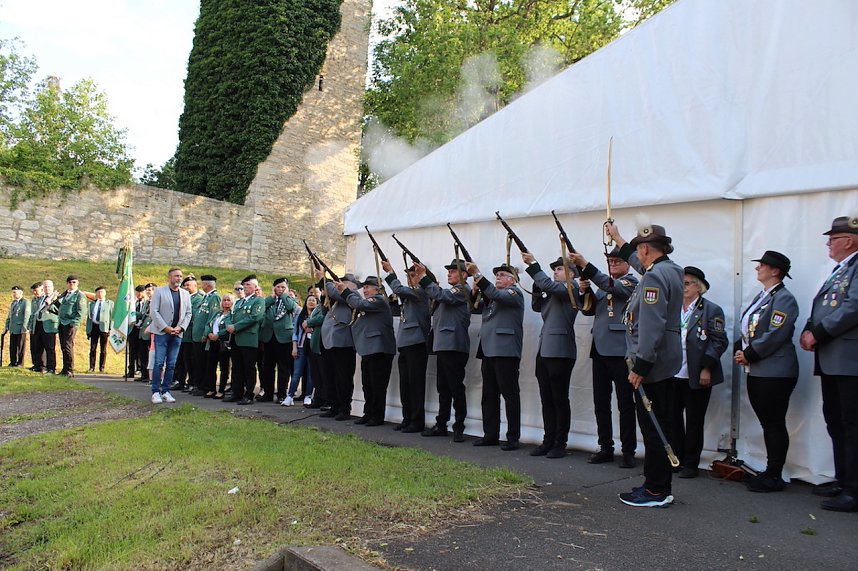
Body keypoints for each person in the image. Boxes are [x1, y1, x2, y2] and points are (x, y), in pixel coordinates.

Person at [605, 221, 683, 508]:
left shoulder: (653, 278)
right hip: (666, 358)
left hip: (653, 360)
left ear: (647, 248)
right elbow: (638, 264)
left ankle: (656, 490)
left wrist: (641, 365)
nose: (638, 256)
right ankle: (655, 483)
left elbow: (651, 325)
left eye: (639, 249)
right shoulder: (669, 270)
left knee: (653, 427)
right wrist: (618, 238)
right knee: (659, 422)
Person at [800, 216, 858, 512]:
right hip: (833, 358)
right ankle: (843, 478)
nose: (828, 245)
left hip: (849, 360)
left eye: (833, 239)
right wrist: (809, 329)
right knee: (835, 420)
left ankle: (854, 489)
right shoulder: (841, 270)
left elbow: (852, 307)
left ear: (848, 240)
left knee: (851, 423)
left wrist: (818, 332)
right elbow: (823, 305)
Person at [735, 250, 799, 493]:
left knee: (773, 421)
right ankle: (770, 470)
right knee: (767, 421)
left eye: (762, 265)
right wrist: (742, 351)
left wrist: (749, 353)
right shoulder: (763, 296)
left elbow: (776, 333)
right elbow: (749, 329)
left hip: (775, 371)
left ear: (776, 271)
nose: (757, 268)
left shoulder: (783, 298)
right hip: (759, 368)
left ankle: (774, 473)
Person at [571, 247, 639, 468]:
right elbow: (590, 311)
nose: (613, 264)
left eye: (618, 261)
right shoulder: (604, 284)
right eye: (610, 261)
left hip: (620, 351)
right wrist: (584, 292)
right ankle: (605, 446)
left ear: (628, 264)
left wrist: (587, 267)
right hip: (599, 349)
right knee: (601, 402)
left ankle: (628, 450)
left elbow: (615, 290)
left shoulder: (631, 283)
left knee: (625, 404)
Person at [669, 266, 727, 478]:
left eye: (687, 284)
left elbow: (719, 341)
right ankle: (676, 459)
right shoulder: (672, 308)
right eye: (680, 284)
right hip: (674, 372)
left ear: (699, 287)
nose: (682, 288)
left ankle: (691, 463)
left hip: (697, 373)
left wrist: (706, 367)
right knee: (673, 418)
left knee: (694, 420)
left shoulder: (711, 310)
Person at [522, 252, 581, 459]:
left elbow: (551, 287)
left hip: (560, 350)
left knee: (559, 398)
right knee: (547, 399)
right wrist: (538, 285)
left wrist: (534, 266)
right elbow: (538, 306)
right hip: (545, 348)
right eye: (554, 269)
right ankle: (548, 440)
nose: (555, 272)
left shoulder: (571, 288)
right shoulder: (555, 291)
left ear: (571, 274)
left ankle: (559, 443)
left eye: (559, 269)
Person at [465, 261, 525, 451]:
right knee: (489, 395)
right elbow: (474, 308)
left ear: (512, 279)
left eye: (502, 275)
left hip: (505, 351)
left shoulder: (514, 293)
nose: (498, 277)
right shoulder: (493, 297)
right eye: (496, 275)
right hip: (489, 349)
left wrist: (478, 275)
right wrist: (475, 291)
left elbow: (496, 294)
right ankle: (490, 434)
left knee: (510, 395)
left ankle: (513, 437)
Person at [338, 276, 396, 426]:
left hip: (380, 349)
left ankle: (377, 416)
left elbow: (359, 304)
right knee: (368, 384)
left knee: (377, 385)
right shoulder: (369, 303)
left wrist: (345, 291)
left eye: (368, 287)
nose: (365, 290)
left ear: (378, 289)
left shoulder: (378, 300)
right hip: (369, 349)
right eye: (364, 287)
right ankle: (368, 413)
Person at [382, 259, 431, 433]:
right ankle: (407, 417)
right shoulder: (411, 294)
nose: (410, 279)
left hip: (417, 342)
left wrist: (390, 272)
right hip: (405, 342)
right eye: (408, 276)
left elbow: (398, 289)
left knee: (416, 384)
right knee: (406, 384)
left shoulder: (422, 292)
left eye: (413, 275)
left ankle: (417, 421)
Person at [318, 270, 358, 421]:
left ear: (352, 286)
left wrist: (324, 280)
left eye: (344, 282)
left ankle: (344, 408)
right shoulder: (337, 298)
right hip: (330, 342)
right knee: (330, 376)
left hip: (343, 343)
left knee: (343, 377)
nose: (340, 285)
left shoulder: (351, 296)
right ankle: (334, 406)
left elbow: (336, 294)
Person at [149, 268, 192, 403]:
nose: (178, 278)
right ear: (169, 277)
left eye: (180, 276)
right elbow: (154, 312)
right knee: (159, 362)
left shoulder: (185, 294)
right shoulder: (160, 292)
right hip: (162, 333)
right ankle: (156, 391)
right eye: (176, 276)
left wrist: (181, 327)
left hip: (177, 334)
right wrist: (166, 328)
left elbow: (188, 313)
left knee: (172, 364)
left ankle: (166, 391)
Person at [224, 275, 265, 404]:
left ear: (255, 287)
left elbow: (254, 317)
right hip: (236, 339)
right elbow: (230, 315)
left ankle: (249, 394)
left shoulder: (258, 301)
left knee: (249, 368)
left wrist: (235, 327)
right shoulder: (239, 301)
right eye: (244, 285)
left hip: (248, 339)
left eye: (249, 285)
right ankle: (237, 392)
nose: (246, 287)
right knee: (236, 367)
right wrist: (229, 325)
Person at [261, 278, 297, 402]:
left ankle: (282, 394)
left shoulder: (289, 299)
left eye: (283, 287)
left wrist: (284, 296)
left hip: (284, 338)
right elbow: (263, 307)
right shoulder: (270, 300)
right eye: (278, 287)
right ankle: (268, 393)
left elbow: (291, 307)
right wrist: (272, 297)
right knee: (268, 367)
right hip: (269, 337)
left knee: (283, 367)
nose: (280, 290)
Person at [190, 275, 221, 396]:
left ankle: (204, 386)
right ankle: (199, 385)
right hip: (196, 335)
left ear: (207, 285)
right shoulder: (206, 297)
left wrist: (205, 333)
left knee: (203, 362)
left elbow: (212, 316)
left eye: (203, 284)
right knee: (198, 362)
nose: (201, 286)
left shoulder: (214, 297)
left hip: (204, 336)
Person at [286, 293, 318, 406]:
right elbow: (295, 333)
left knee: (310, 374)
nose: (311, 302)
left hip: (312, 347)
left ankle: (308, 396)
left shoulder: (317, 316)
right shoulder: (300, 315)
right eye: (309, 300)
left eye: (314, 300)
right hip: (300, 347)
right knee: (296, 373)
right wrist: (294, 347)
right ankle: (289, 396)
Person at [51, 275, 87, 377]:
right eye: (70, 282)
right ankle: (65, 368)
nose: (72, 284)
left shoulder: (79, 295)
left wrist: (74, 323)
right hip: (62, 322)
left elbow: (82, 311)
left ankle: (70, 370)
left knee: (68, 345)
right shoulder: (65, 294)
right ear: (67, 283)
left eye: (74, 282)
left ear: (77, 283)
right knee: (63, 346)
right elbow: (60, 307)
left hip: (70, 323)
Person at [205, 293, 235, 399]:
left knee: (224, 367)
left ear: (232, 302)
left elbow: (228, 328)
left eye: (228, 300)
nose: (226, 302)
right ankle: (211, 388)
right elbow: (208, 324)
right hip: (213, 342)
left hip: (223, 343)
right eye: (224, 300)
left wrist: (218, 335)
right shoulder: (217, 313)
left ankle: (221, 390)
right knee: (211, 366)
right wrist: (208, 334)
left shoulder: (232, 314)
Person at [86, 286, 114, 373]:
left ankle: (102, 367)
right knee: (93, 348)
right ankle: (91, 367)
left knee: (103, 349)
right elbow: (89, 317)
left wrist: (110, 328)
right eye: (98, 292)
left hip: (104, 327)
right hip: (94, 326)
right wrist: (88, 330)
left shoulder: (109, 303)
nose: (100, 294)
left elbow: (112, 317)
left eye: (102, 292)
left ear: (105, 293)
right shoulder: (92, 304)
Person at [4, 286, 30, 367]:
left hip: (20, 328)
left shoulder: (25, 302)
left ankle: (20, 363)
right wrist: (7, 326)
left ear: (21, 293)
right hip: (13, 328)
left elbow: (26, 315)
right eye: (13, 292)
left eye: (16, 292)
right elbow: (9, 316)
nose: (14, 294)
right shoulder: (13, 303)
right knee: (12, 346)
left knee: (21, 346)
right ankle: (13, 362)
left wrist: (24, 327)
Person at [126, 285, 147, 379]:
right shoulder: (132, 303)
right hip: (133, 329)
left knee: (142, 352)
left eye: (141, 292)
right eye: (138, 292)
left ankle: (143, 372)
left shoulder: (146, 303)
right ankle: (130, 371)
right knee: (132, 351)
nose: (139, 294)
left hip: (142, 329)